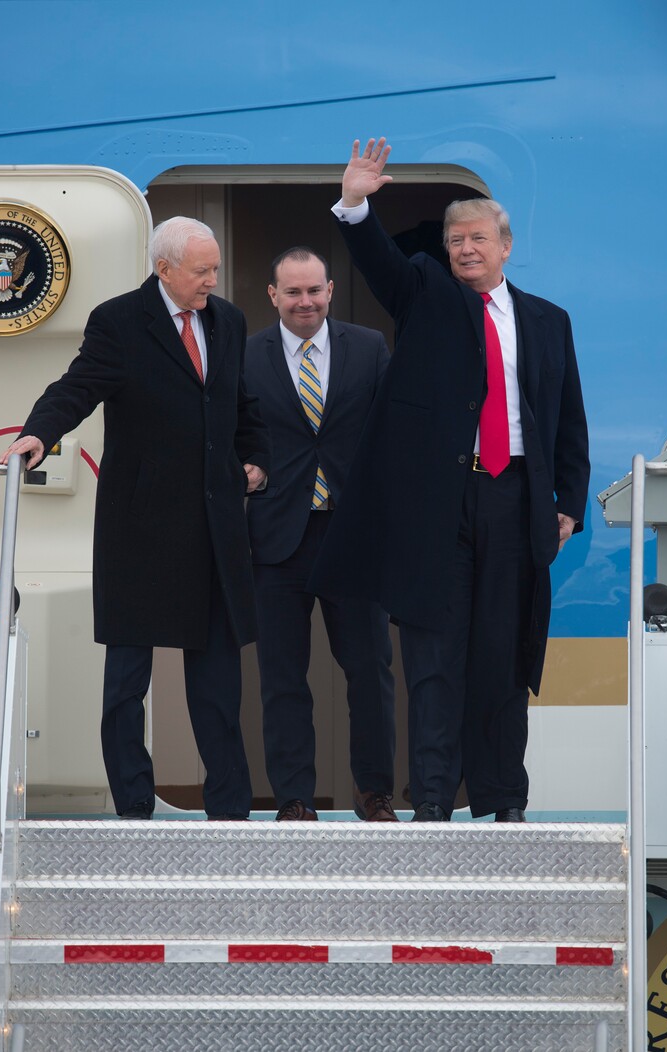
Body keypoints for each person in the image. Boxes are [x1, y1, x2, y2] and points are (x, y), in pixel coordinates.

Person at [310, 138, 590, 823]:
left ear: (505, 245)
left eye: (477, 239)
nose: (464, 249)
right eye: (454, 239)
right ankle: (433, 801)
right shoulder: (427, 293)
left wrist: (569, 505)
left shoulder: (549, 322)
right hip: (441, 504)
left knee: (503, 657)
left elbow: (569, 422)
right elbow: (381, 264)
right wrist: (354, 203)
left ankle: (503, 801)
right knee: (434, 661)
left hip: (515, 500)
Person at [0, 217, 270, 821]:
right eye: (202, 271)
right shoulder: (120, 321)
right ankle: (133, 808)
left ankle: (229, 811)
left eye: (216, 268)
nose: (213, 280)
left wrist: (255, 460)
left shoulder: (226, 320)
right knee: (127, 684)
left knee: (219, 686)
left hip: (213, 529)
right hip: (141, 527)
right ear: (164, 268)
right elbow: (77, 386)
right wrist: (37, 435)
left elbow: (241, 404)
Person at [244, 246, 396, 822]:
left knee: (370, 672)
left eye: (314, 291)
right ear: (273, 295)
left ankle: (375, 794)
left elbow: (392, 434)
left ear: (330, 290)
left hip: (352, 536)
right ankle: (294, 799)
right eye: (292, 292)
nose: (304, 302)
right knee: (283, 677)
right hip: (276, 539)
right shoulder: (246, 353)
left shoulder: (369, 347)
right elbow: (235, 433)